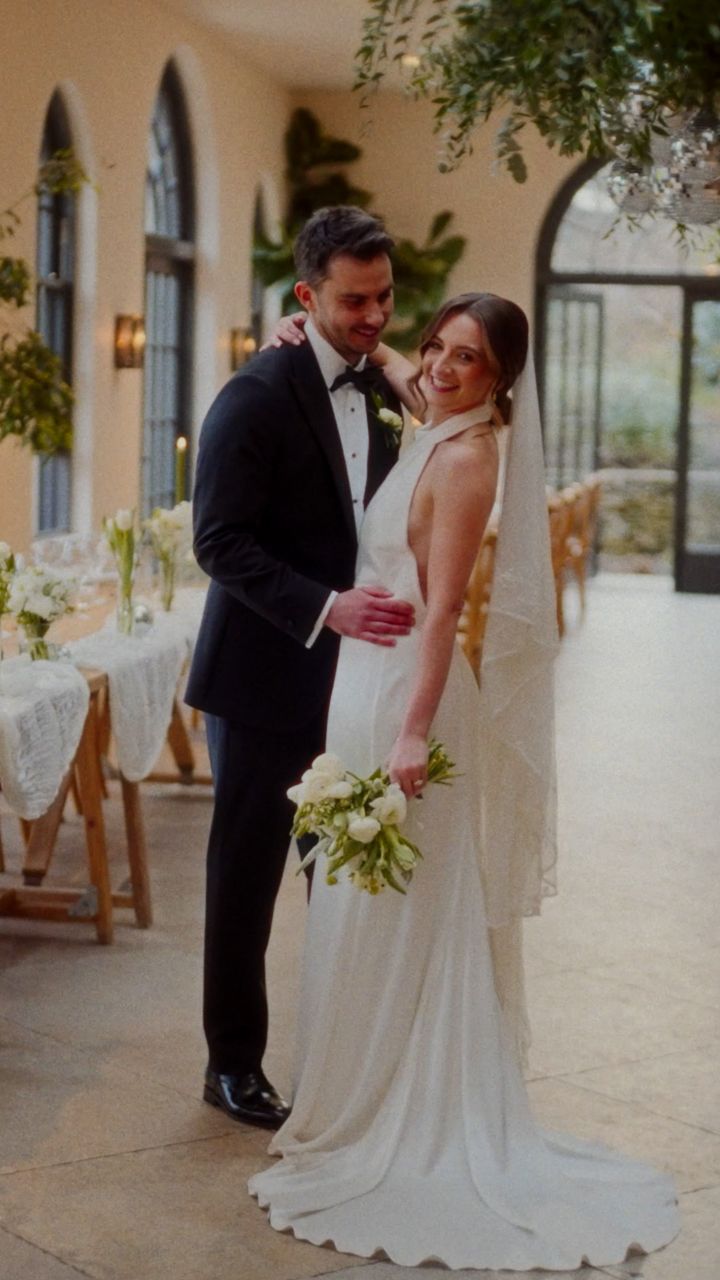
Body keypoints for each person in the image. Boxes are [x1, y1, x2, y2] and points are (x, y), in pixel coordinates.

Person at [248, 293, 680, 1269]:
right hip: (360, 684)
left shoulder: (470, 456)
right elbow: (395, 360)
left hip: (409, 694)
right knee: (359, 899)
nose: (440, 367)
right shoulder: (438, 412)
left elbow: (443, 612)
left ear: (503, 380)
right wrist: (309, 332)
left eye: (468, 358)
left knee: (403, 903)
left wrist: (409, 735)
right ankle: (352, 1089)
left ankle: (400, 1108)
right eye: (439, 347)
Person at [185, 206, 414, 1130]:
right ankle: (231, 1064)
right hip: (259, 680)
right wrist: (326, 607)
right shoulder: (256, 393)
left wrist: (389, 364)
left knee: (343, 873)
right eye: (354, 301)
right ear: (306, 296)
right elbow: (218, 543)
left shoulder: (386, 385)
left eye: (386, 298)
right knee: (245, 878)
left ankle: (341, 1052)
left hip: (352, 680)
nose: (374, 317)